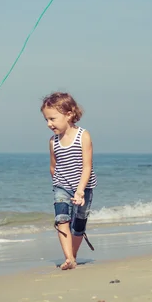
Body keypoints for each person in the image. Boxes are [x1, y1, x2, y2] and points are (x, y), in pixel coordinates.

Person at [41, 92, 97, 270]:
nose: (49, 124)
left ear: (69, 114)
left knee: (79, 224)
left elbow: (87, 166)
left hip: (83, 187)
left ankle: (73, 255)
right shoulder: (53, 141)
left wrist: (80, 190)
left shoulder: (83, 136)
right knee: (61, 219)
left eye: (52, 119)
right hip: (62, 186)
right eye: (46, 120)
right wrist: (58, 186)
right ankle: (69, 258)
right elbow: (53, 166)